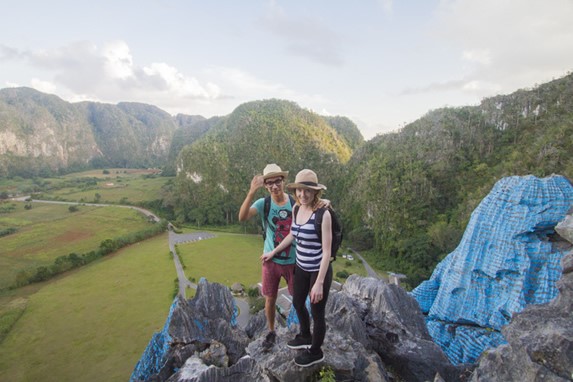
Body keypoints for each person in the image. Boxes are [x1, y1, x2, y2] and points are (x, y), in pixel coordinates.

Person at [262, 169, 333, 368]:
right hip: (300, 267)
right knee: (298, 303)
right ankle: (305, 335)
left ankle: (316, 351)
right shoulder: (296, 209)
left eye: (307, 191)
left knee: (317, 312)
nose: (303, 194)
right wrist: (273, 252)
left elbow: (327, 252)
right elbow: (292, 234)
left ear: (315, 192)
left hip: (319, 271)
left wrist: (319, 283)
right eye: (300, 190)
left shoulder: (323, 214)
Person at [238, 163, 297, 351]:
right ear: (265, 186)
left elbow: (311, 210)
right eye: (269, 183)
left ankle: (299, 330)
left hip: (293, 261)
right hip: (270, 261)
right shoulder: (264, 203)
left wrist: (323, 203)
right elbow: (242, 217)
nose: (274, 186)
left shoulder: (295, 202)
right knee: (270, 299)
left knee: (298, 298)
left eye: (277, 181)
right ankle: (271, 331)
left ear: (283, 181)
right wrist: (251, 193)